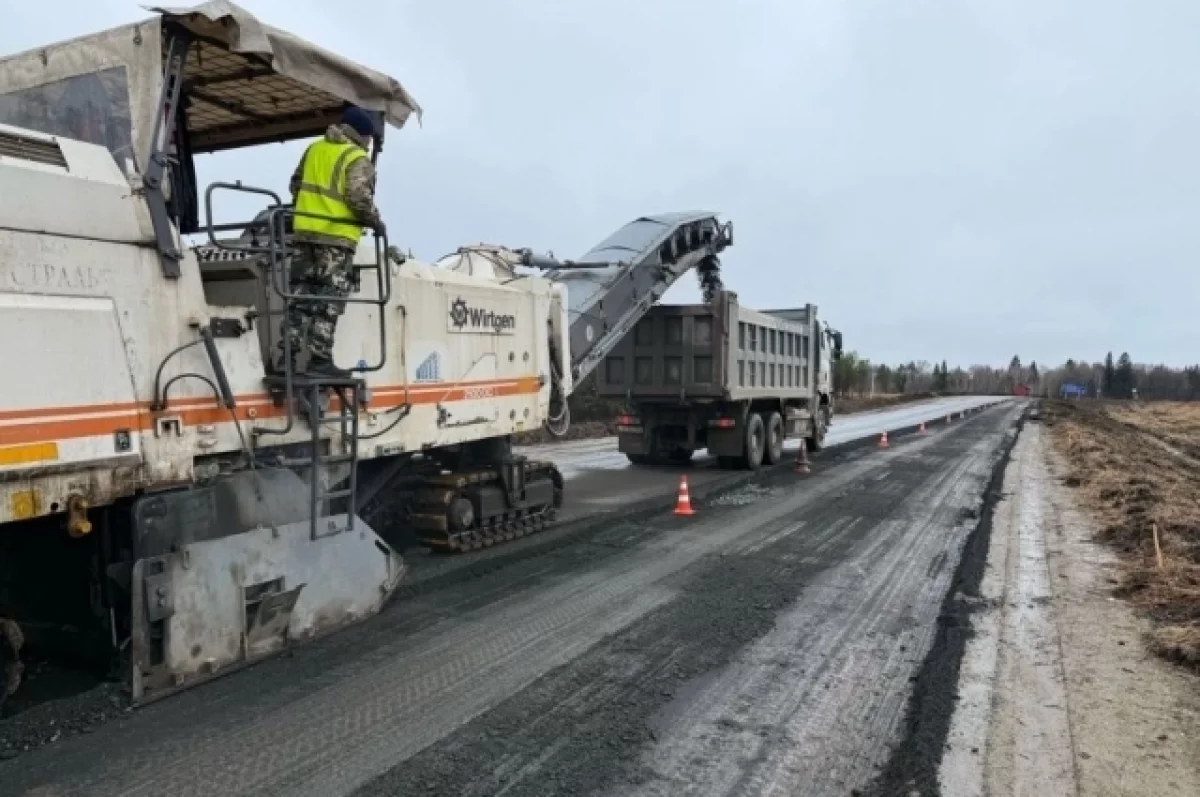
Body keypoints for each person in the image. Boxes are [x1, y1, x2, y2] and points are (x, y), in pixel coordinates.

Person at [278, 105, 387, 378]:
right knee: (329, 301)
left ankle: (285, 361)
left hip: (304, 235)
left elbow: (295, 185)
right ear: (362, 135)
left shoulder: (314, 149)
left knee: (299, 298)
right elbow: (358, 198)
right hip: (336, 240)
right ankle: (319, 361)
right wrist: (376, 221)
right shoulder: (357, 157)